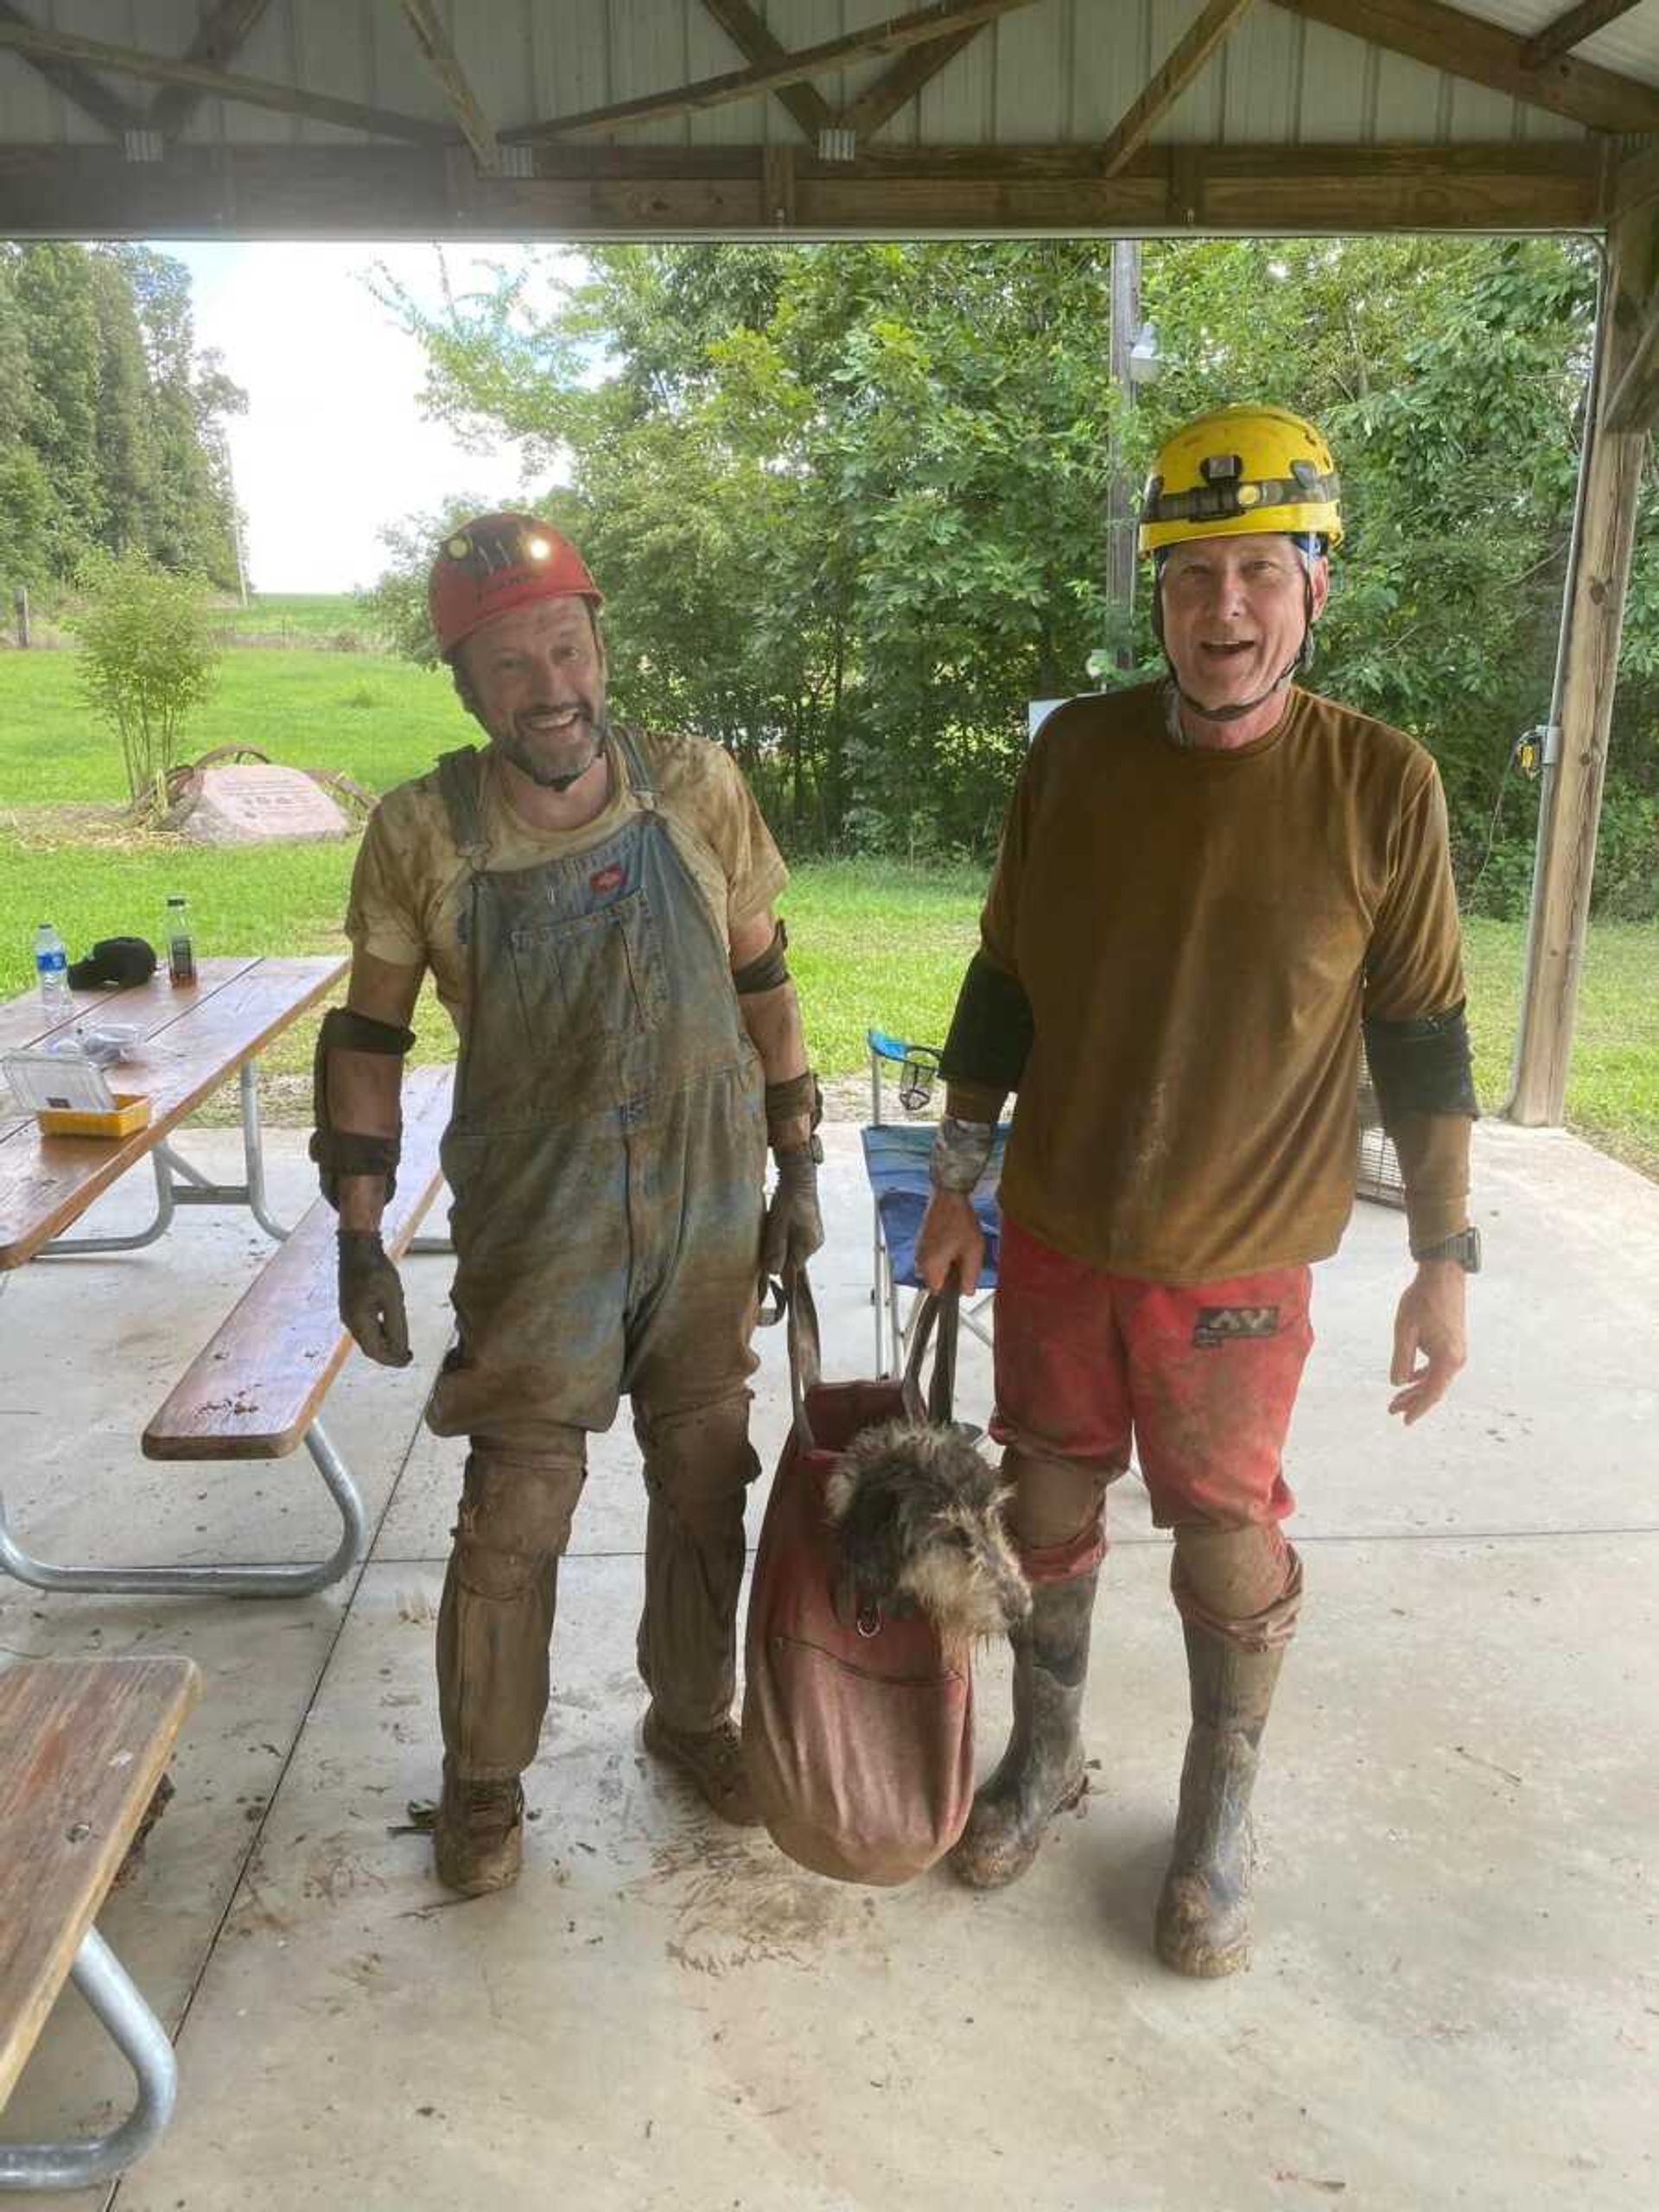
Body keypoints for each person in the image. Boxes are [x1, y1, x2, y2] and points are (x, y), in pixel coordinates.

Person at [916, 404, 1478, 1976]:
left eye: (1256, 573)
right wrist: (956, 1182)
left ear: (1313, 587)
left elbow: (1425, 1040)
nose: (1221, 611)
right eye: (1188, 576)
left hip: (1236, 1264)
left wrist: (1446, 1255)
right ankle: (1045, 1753)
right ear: (1153, 595)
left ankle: (1220, 1801)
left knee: (1225, 1532)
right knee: (1042, 1503)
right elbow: (1002, 983)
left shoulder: (1382, 782)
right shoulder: (1075, 756)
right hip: (1063, 1231)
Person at [311, 512, 823, 1895]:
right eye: (506, 664)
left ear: (601, 643)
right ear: (467, 689)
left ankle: (692, 1716)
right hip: (543, 1228)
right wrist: (359, 1229)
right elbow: (366, 1039)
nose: (548, 686)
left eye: (564, 646)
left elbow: (764, 975)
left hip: (710, 1205)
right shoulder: (426, 833)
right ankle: (483, 1780)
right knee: (519, 1507)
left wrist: (800, 1158)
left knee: (709, 1476)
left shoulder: (699, 788)